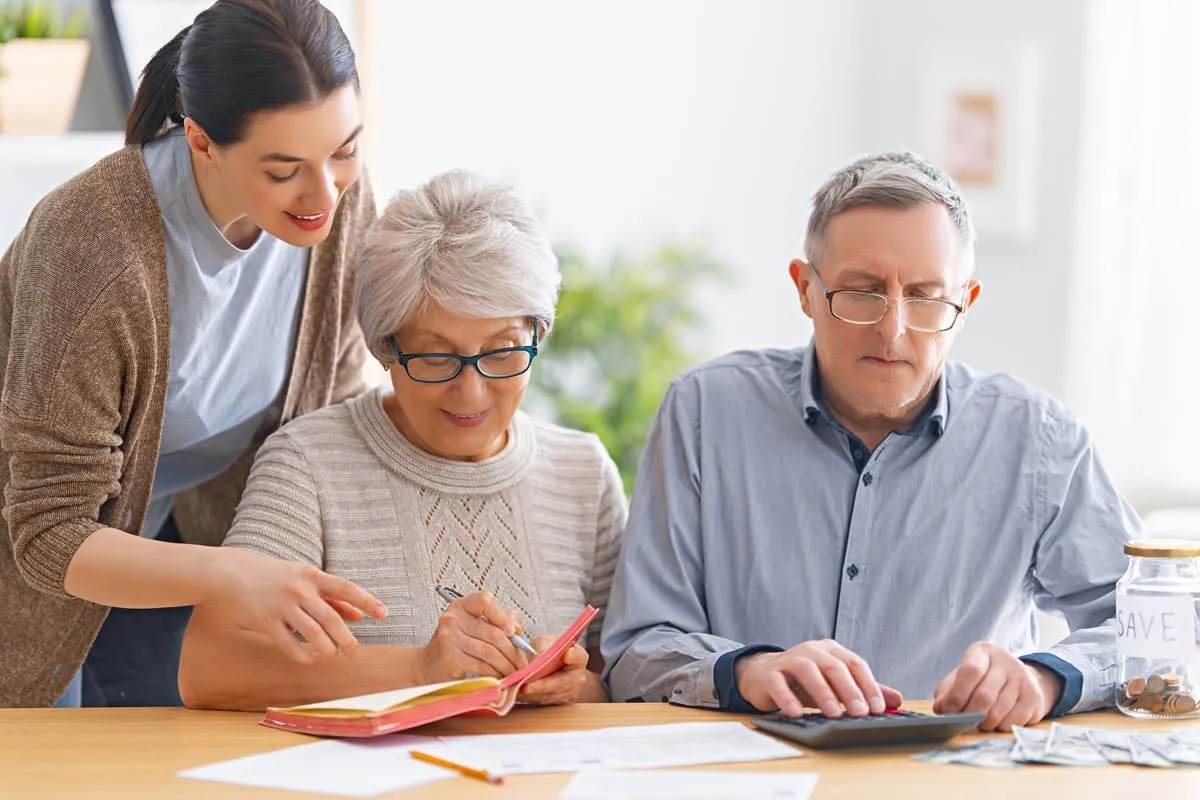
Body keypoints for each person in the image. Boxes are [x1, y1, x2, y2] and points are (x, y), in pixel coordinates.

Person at [601, 151, 1137, 732]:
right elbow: (635, 650)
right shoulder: (705, 413)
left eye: (927, 296)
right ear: (805, 289)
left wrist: (1044, 679)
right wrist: (748, 671)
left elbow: (1167, 628)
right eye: (863, 291)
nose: (893, 329)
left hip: (956, 781)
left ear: (965, 307)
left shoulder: (1040, 443)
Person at [0, 0, 389, 709]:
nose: (325, 194)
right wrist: (233, 574)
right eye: (284, 169)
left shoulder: (335, 211)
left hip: (187, 545)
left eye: (345, 150)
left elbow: (332, 414)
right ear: (202, 141)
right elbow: (48, 532)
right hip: (33, 576)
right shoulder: (94, 247)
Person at [177, 169, 627, 711]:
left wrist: (574, 684)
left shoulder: (584, 472)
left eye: (503, 350)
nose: (471, 392)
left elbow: (624, 675)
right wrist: (420, 669)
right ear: (386, 347)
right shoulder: (308, 464)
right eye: (436, 357)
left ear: (539, 334)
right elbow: (210, 668)